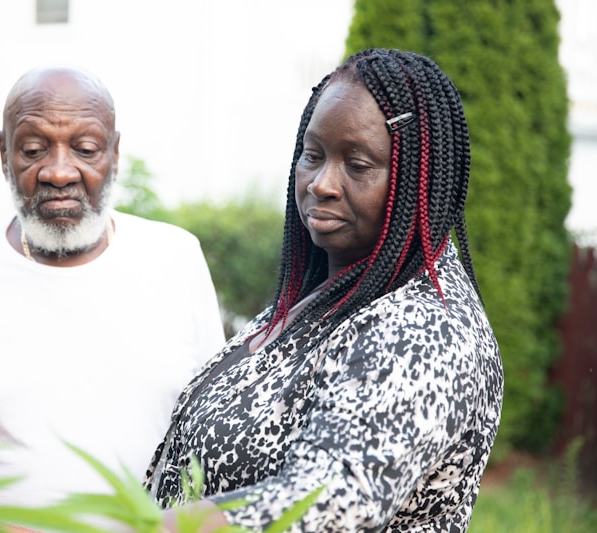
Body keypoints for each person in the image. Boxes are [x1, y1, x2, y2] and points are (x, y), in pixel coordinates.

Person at [144, 48, 504, 532]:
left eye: (357, 164)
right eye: (312, 156)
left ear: (421, 178)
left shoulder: (428, 329)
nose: (322, 183)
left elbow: (333, 501)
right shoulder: (329, 296)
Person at [0, 66, 225, 510]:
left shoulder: (177, 259)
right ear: (3, 152)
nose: (58, 172)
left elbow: (217, 417)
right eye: (33, 149)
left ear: (114, 152)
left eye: (85, 149)